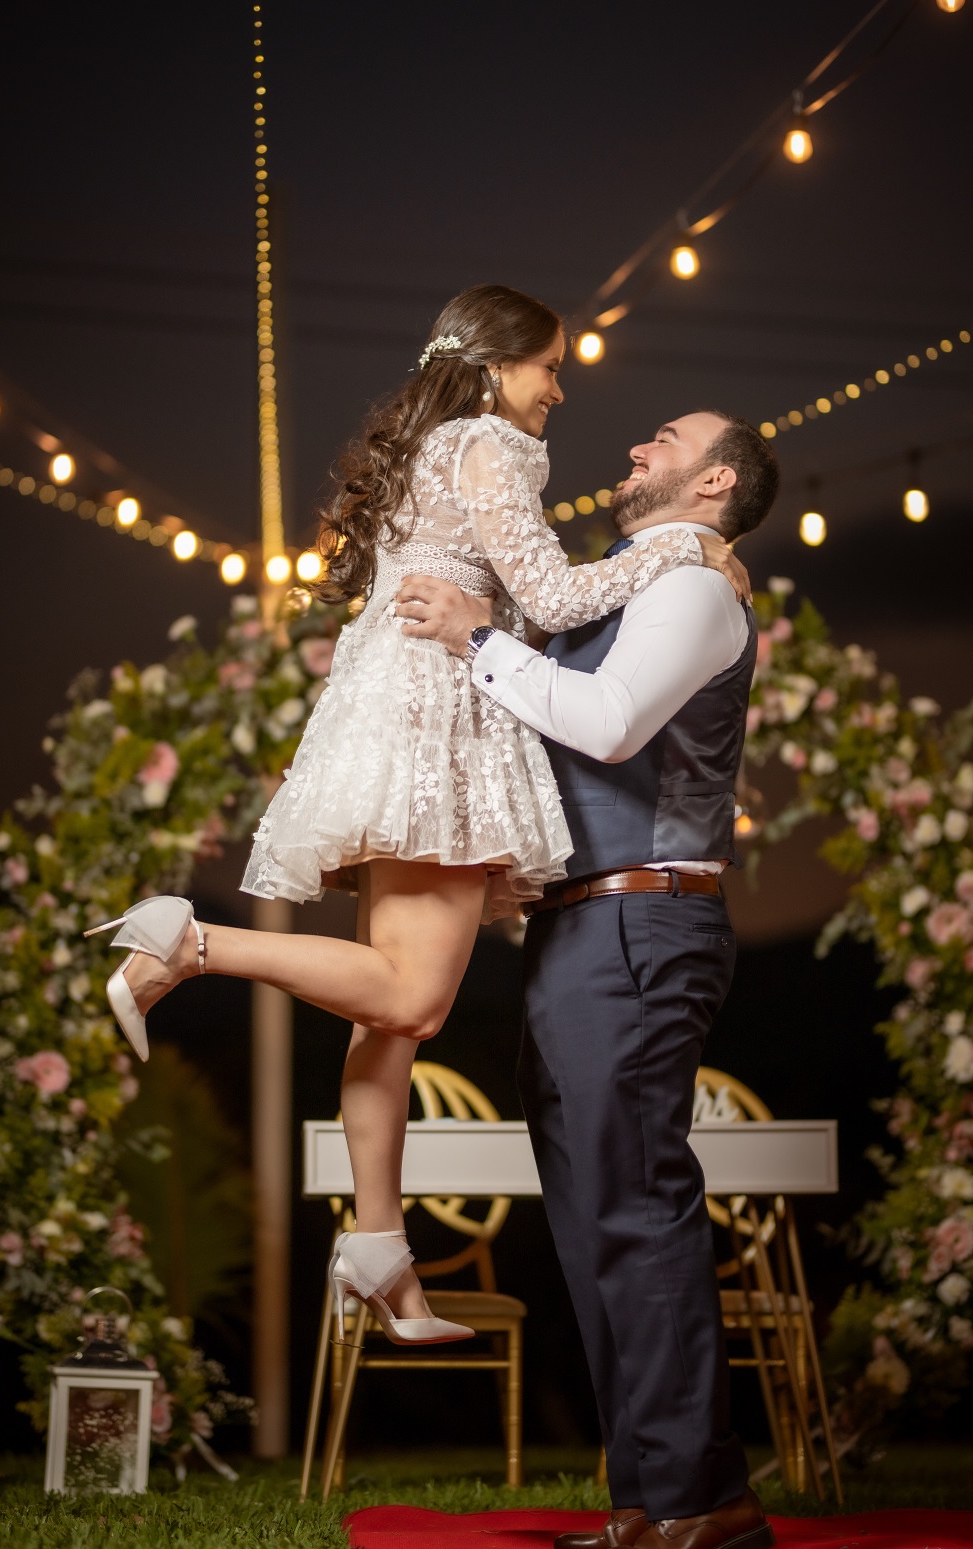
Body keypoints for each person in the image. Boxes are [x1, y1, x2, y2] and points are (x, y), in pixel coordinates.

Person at [83, 288, 749, 1350]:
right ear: (496, 368)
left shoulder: (425, 443)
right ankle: (188, 940)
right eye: (550, 368)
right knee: (414, 998)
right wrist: (677, 550)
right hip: (440, 710)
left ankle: (380, 1247)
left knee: (381, 1025)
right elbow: (554, 596)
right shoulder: (490, 441)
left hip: (382, 706)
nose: (559, 390)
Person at [394, 410, 779, 1548]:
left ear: (713, 481)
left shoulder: (696, 591)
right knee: (589, 1226)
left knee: (634, 1213)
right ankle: (649, 1501)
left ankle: (703, 1503)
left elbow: (611, 727)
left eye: (662, 440)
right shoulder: (624, 583)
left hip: (641, 926)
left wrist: (476, 636)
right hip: (579, 930)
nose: (632, 450)